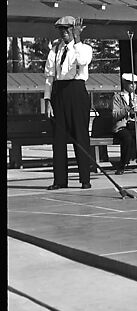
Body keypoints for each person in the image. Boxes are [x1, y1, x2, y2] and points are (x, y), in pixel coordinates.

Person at [43, 15, 93, 190]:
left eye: (68, 29)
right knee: (58, 138)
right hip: (59, 92)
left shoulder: (84, 48)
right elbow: (49, 77)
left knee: (80, 134)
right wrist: (48, 100)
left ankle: (85, 179)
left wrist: (78, 40)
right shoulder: (55, 49)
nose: (64, 33)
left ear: (75, 30)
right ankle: (60, 180)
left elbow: (82, 61)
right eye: (61, 30)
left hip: (77, 91)